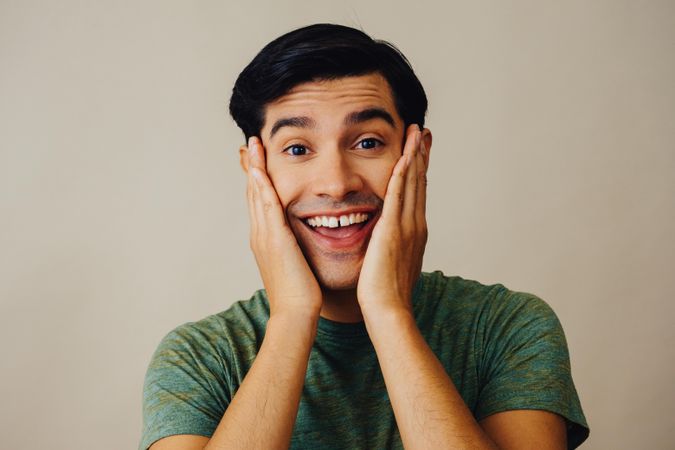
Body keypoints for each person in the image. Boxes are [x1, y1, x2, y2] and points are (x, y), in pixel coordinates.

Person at [139, 23, 590, 450]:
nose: (335, 184)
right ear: (254, 169)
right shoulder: (198, 357)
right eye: (297, 149)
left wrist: (389, 313)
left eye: (368, 142)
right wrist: (292, 317)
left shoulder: (507, 328)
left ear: (418, 154)